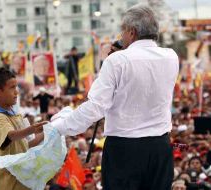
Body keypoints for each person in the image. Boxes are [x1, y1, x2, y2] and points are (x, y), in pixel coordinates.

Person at [51, 4, 179, 190]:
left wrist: (58, 128)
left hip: (124, 150)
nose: (121, 37)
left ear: (132, 32)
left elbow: (96, 107)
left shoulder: (117, 61)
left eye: (123, 31)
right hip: (160, 147)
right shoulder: (171, 57)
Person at [0, 67, 45, 190]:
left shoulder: (17, 116)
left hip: (25, 181)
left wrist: (49, 132)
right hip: (11, 184)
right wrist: (31, 129)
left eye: (16, 87)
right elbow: (11, 135)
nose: (17, 92)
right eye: (12, 87)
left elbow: (26, 145)